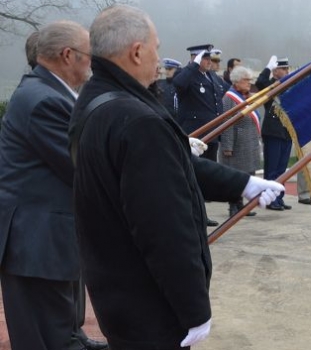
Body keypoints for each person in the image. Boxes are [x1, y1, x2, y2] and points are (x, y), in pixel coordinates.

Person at [69, 5, 284, 349]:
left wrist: (244, 184)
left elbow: (173, 165)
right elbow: (165, 228)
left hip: (116, 290)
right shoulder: (138, 120)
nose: (159, 56)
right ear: (136, 52)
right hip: (149, 302)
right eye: (155, 46)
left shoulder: (96, 102)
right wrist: (194, 309)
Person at [0, 20, 108, 350]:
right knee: (45, 338)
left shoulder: (50, 92)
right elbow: (83, 168)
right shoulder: (43, 100)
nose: (93, 64)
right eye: (90, 56)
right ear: (67, 55)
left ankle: (75, 338)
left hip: (49, 238)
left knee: (61, 326)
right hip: (36, 244)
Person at [173, 44, 227, 226]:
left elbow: (221, 96)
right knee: (192, 174)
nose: (209, 62)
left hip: (211, 134)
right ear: (195, 58)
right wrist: (192, 66)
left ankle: (202, 215)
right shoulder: (188, 75)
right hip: (196, 135)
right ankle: (192, 215)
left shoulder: (211, 76)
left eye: (209, 59)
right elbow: (178, 84)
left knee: (204, 175)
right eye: (205, 59)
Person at [220, 65, 262, 217]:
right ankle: (233, 207)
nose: (249, 83)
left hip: (249, 143)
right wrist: (227, 146)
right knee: (235, 177)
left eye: (250, 80)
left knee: (247, 176)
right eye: (246, 80)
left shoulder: (246, 97)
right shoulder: (229, 98)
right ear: (236, 82)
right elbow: (226, 124)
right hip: (237, 144)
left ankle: (241, 206)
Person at [256, 56, 293, 210]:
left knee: (281, 169)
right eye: (283, 69)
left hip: (286, 131)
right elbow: (259, 82)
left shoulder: (289, 84)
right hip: (273, 131)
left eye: (286, 69)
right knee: (271, 168)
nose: (286, 71)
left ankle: (279, 197)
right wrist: (267, 68)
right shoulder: (269, 85)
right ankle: (270, 199)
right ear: (275, 71)